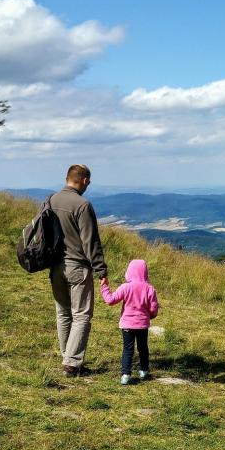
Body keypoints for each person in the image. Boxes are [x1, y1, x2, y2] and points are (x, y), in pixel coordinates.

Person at [49, 164, 109, 376]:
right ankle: (72, 363)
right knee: (82, 315)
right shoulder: (82, 205)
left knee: (63, 313)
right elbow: (90, 242)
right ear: (83, 180)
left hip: (56, 266)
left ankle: (67, 357)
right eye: (88, 182)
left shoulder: (51, 200)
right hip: (78, 267)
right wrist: (101, 270)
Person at [101, 259, 159, 385]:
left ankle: (125, 375)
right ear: (145, 273)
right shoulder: (150, 289)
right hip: (142, 325)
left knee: (128, 349)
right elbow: (154, 309)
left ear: (129, 271)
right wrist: (150, 316)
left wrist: (104, 286)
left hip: (127, 325)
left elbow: (110, 300)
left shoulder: (125, 287)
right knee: (143, 348)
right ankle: (144, 371)